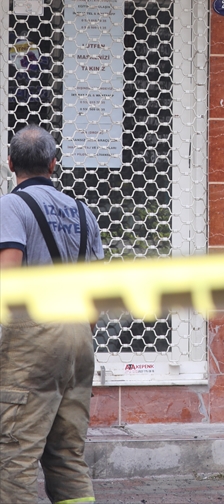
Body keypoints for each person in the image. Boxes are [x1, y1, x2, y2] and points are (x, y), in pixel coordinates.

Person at [0, 125, 102, 504]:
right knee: (67, 457)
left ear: (11, 164)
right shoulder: (83, 212)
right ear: (53, 164)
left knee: (15, 456)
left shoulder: (10, 207)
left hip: (32, 338)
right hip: (78, 336)